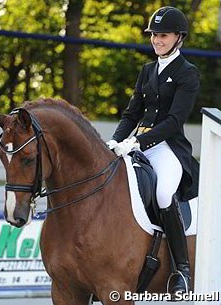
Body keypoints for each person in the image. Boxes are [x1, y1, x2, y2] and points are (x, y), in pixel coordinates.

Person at [107, 6, 200, 296]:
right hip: (138, 144)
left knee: (162, 193)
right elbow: (131, 113)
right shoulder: (147, 70)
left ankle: (181, 270)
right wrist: (115, 141)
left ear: (178, 37)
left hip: (168, 148)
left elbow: (174, 121)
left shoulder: (188, 73)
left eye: (163, 35)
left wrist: (139, 143)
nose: (157, 40)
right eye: (154, 35)